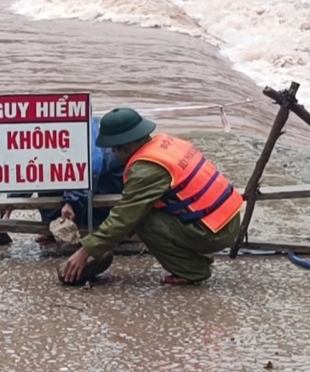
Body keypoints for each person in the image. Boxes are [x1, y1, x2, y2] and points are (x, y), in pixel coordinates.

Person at [61, 108, 243, 286]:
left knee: (141, 220)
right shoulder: (166, 142)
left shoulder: (146, 169)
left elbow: (124, 217)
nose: (114, 154)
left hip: (215, 230)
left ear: (126, 146)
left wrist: (85, 251)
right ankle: (196, 253)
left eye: (115, 150)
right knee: (144, 212)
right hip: (226, 218)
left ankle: (191, 270)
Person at [0, 117, 125, 242]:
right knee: (48, 175)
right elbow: (34, 167)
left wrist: (71, 202)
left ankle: (86, 228)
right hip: (82, 177)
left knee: (86, 190)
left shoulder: (90, 136)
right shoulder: (50, 135)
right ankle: (53, 227)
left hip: (105, 181)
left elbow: (90, 170)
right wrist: (13, 198)